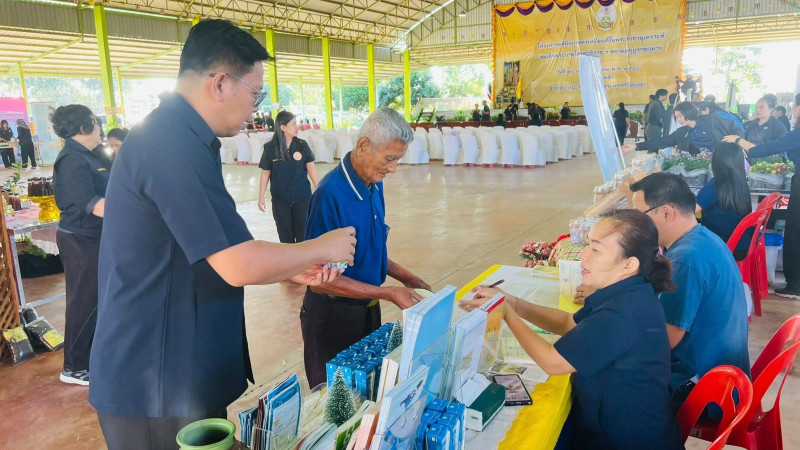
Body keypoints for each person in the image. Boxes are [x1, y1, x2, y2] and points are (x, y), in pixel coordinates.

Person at [89, 19, 356, 449]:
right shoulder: (169, 145)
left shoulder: (183, 138)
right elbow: (237, 263)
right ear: (220, 84)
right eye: (256, 93)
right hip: (156, 380)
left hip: (178, 366)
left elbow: (213, 249)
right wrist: (321, 246)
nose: (256, 108)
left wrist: (289, 268)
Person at [461, 210, 683, 449]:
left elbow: (553, 362)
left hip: (626, 440)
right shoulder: (626, 291)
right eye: (587, 245)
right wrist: (513, 303)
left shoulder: (623, 312)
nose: (583, 255)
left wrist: (507, 313)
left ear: (628, 264)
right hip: (618, 425)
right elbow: (568, 323)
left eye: (596, 249)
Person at [301, 107, 431, 388]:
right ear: (363, 145)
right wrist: (387, 292)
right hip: (333, 316)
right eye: (389, 159)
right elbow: (320, 281)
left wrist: (407, 278)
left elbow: (369, 249)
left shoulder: (373, 183)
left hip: (368, 308)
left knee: (368, 390)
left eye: (397, 160)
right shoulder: (330, 195)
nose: (392, 168)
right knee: (337, 398)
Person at [629, 173, 750, 404]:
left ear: (666, 212)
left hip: (704, 388)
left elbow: (663, 341)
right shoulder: (703, 237)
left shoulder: (685, 259)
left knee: (602, 377)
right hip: (724, 375)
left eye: (639, 217)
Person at [50, 105, 110, 386]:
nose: (99, 129)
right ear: (85, 127)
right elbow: (94, 205)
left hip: (95, 237)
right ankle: (74, 367)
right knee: (83, 302)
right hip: (80, 240)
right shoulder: (72, 160)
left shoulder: (90, 154)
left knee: (97, 300)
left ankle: (92, 357)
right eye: (96, 123)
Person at [723, 92, 800, 299]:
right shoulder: (753, 126)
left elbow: (768, 148)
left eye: (794, 105)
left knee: (795, 231)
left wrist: (738, 141)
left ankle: (795, 286)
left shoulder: (791, 131)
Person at [258, 111, 318, 243]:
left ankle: (303, 257)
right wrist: (261, 197)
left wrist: (319, 188)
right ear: (283, 127)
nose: (297, 127)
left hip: (302, 198)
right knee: (285, 237)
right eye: (294, 124)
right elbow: (265, 173)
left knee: (303, 235)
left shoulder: (302, 145)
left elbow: (311, 167)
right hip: (280, 200)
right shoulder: (270, 148)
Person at [696, 143, 752, 257]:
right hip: (741, 243)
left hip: (723, 246)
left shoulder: (716, 185)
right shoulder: (741, 183)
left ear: (717, 163)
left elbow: (691, 210)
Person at [622, 101, 729, 155]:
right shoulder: (681, 132)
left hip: (722, 161)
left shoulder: (711, 121)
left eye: (680, 116)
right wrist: (636, 146)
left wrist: (736, 141)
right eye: (676, 117)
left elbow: (733, 127)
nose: (678, 120)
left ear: (689, 112)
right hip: (700, 168)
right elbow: (662, 141)